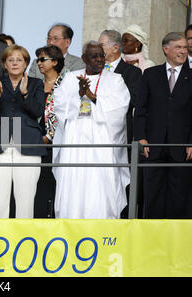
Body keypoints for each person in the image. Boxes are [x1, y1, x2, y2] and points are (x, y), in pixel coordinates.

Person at [52, 41, 130, 219]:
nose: (100, 59)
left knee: (100, 185)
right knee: (73, 183)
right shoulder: (71, 77)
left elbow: (119, 109)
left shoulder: (115, 79)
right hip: (75, 139)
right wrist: (79, 94)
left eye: (102, 55)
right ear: (84, 58)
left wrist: (91, 95)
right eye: (94, 56)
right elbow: (59, 106)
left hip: (102, 141)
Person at [0, 44, 46, 218]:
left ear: (26, 63)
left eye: (20, 59)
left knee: (25, 202)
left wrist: (25, 93)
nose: (15, 63)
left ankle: (23, 243)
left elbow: (38, 112)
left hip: (28, 145)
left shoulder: (36, 83)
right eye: (11, 60)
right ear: (5, 64)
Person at [134, 32, 192, 219]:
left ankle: (177, 242)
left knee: (179, 197)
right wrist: (141, 138)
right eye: (178, 47)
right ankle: (152, 240)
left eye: (185, 47)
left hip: (182, 147)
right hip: (153, 146)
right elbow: (140, 109)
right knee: (153, 196)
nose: (183, 51)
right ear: (165, 49)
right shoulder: (151, 74)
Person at [99, 29, 142, 144]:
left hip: (120, 129)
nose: (97, 49)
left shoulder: (133, 72)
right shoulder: (95, 70)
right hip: (96, 128)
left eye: (101, 45)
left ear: (115, 48)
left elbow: (132, 99)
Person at [35, 45, 65, 144]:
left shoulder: (64, 84)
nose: (39, 63)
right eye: (38, 60)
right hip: (36, 138)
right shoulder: (37, 85)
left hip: (57, 139)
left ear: (55, 62)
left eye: (42, 59)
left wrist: (49, 136)